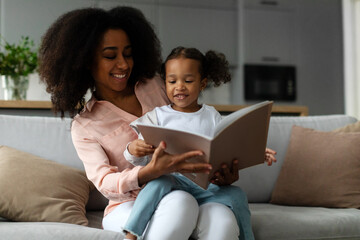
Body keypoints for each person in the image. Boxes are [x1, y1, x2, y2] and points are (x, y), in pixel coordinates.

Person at [38, 6, 277, 240]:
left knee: (222, 221)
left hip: (193, 190)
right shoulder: (85, 125)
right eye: (110, 56)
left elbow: (195, 121)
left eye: (128, 54)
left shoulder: (156, 85)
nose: (123, 64)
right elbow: (104, 182)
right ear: (85, 61)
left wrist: (222, 172)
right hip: (130, 205)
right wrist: (147, 173)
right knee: (180, 204)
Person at [122, 46, 277, 240]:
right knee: (155, 184)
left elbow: (229, 144)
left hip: (206, 187)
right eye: (172, 81)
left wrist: (256, 151)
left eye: (188, 80)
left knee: (237, 195)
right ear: (165, 84)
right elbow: (140, 159)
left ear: (202, 84)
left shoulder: (211, 115)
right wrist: (132, 149)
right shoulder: (157, 116)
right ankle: (131, 233)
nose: (179, 86)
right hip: (173, 182)